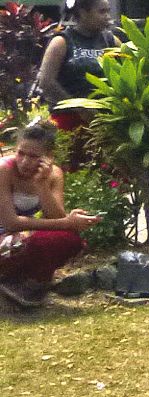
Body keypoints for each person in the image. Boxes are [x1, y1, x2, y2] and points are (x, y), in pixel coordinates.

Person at [0, 121, 97, 310]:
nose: (25, 161)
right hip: (7, 232)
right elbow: (11, 223)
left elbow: (56, 218)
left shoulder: (54, 174)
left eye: (33, 156)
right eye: (21, 153)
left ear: (48, 157)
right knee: (35, 239)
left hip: (12, 238)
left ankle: (31, 284)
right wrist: (68, 222)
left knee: (68, 239)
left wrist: (42, 185)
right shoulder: (4, 170)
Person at [35, 0, 121, 128]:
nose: (107, 17)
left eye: (108, 11)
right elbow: (46, 82)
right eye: (102, 12)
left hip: (105, 119)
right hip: (68, 118)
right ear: (83, 13)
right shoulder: (62, 42)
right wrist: (79, 108)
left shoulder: (111, 41)